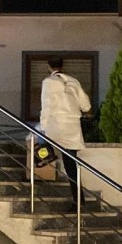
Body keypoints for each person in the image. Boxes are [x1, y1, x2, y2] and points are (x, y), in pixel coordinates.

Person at [40, 56, 91, 209]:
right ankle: (79, 200)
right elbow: (86, 105)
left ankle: (76, 201)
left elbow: (46, 106)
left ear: (49, 66)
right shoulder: (73, 81)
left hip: (57, 125)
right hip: (73, 127)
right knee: (71, 165)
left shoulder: (48, 82)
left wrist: (43, 127)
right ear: (62, 66)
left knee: (43, 153)